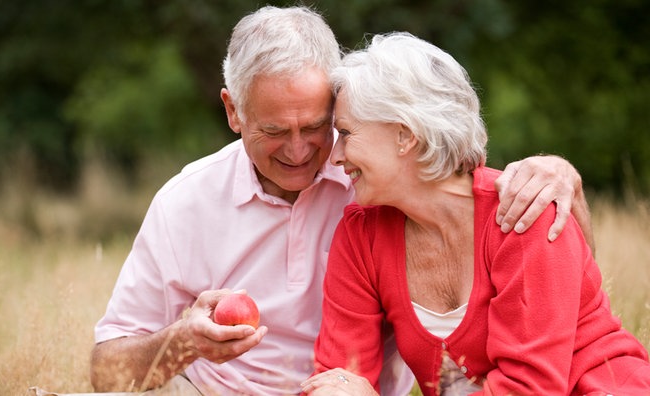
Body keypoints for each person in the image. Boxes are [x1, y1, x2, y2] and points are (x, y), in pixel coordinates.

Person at [90, 7, 592, 396]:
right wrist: (182, 342)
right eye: (273, 130)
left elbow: (487, 203)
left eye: (318, 126)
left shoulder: (376, 185)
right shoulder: (185, 203)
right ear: (233, 111)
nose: (300, 149)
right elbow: (105, 370)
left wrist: (565, 175)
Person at [301, 32, 650, 396]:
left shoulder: (523, 214)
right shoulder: (361, 234)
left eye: (346, 133)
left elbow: (529, 389)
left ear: (404, 135)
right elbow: (338, 378)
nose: (335, 156)